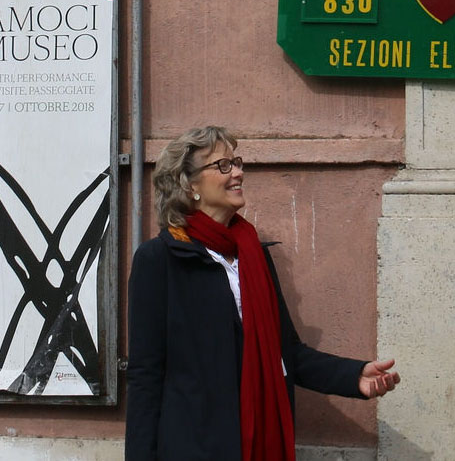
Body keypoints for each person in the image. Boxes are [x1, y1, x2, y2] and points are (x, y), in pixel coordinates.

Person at [126, 125, 399, 461]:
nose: (238, 172)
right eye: (223, 166)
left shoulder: (253, 254)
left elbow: (287, 352)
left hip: (257, 443)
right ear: (190, 183)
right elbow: (146, 374)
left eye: (237, 162)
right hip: (193, 447)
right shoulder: (160, 259)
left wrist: (353, 376)